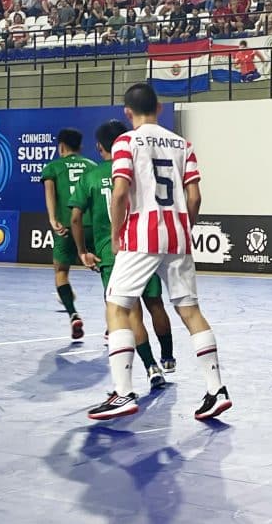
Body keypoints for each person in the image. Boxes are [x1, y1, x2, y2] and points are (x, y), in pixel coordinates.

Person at [87, 83, 232, 422]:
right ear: (160, 108)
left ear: (127, 112)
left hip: (141, 236)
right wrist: (183, 228)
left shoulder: (126, 141)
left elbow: (121, 191)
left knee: (117, 307)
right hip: (178, 236)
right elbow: (194, 197)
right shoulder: (183, 144)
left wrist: (116, 232)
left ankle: (122, 393)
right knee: (190, 310)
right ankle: (216, 389)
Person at [70, 121, 176, 389]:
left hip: (112, 252)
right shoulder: (139, 171)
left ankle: (151, 368)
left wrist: (83, 251)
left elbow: (75, 218)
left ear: (98, 147)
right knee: (155, 304)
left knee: (131, 315)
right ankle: (168, 356)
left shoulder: (91, 177)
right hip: (142, 245)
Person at [41, 129, 97, 340]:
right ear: (80, 147)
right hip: (91, 225)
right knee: (106, 273)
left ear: (61, 146)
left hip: (65, 226)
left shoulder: (53, 167)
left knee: (61, 272)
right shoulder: (93, 167)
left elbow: (50, 193)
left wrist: (52, 219)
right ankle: (113, 326)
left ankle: (73, 314)